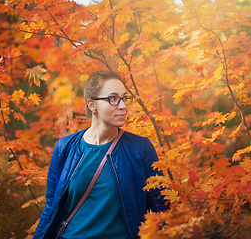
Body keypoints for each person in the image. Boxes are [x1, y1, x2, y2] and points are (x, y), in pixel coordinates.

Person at [33, 70, 168, 239]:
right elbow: (51, 208)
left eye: (125, 98)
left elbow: (161, 208)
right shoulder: (65, 147)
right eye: (113, 99)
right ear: (92, 105)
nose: (123, 106)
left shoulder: (140, 148)